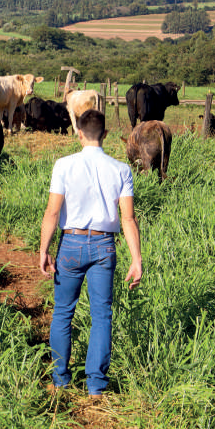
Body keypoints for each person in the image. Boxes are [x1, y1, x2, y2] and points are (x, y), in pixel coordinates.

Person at [38, 109, 143, 399]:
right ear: (106, 134)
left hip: (70, 244)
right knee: (101, 315)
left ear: (78, 133)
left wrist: (44, 249)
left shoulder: (63, 165)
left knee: (62, 313)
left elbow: (53, 211)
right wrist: (136, 259)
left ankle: (60, 379)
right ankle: (96, 386)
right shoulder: (121, 169)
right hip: (103, 246)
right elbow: (128, 219)